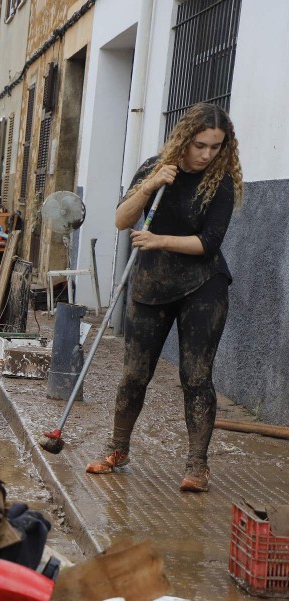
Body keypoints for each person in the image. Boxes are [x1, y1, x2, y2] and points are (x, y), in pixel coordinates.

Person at [85, 102, 242, 493]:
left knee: (196, 376)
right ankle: (118, 449)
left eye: (215, 147)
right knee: (134, 375)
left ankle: (197, 465)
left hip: (203, 285)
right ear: (185, 140)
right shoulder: (154, 168)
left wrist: (159, 240)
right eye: (200, 145)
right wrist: (150, 185)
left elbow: (209, 243)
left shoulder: (220, 181)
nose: (207, 154)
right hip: (151, 283)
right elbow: (122, 220)